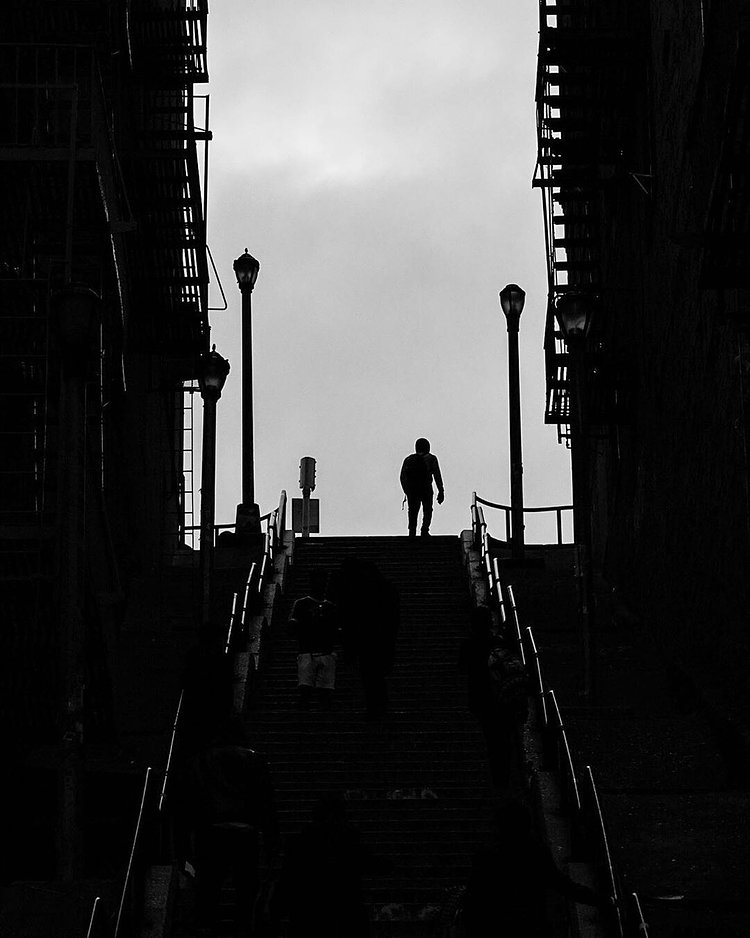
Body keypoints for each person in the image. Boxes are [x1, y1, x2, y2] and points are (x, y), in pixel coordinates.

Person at [181, 718, 280, 938]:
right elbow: (266, 802)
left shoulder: (200, 761)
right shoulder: (253, 759)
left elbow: (190, 803)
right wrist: (272, 840)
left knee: (209, 884)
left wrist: (186, 841)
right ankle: (244, 926)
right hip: (245, 832)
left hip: (211, 831)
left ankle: (205, 925)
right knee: (246, 886)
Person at [461, 800, 607, 937]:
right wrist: (598, 899)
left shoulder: (487, 855)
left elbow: (474, 894)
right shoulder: (536, 851)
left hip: (496, 926)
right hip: (531, 924)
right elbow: (561, 884)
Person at [273, 792, 392, 937]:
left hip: (308, 917)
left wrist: (277, 912)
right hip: (345, 915)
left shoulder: (299, 844)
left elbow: (287, 881)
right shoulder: (348, 842)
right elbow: (371, 863)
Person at [458, 605, 527, 788]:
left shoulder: (469, 645)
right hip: (503, 695)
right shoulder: (500, 643)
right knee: (503, 736)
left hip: (481, 698)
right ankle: (504, 777)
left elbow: (461, 668)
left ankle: (498, 777)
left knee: (491, 737)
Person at [332, 557, 399, 719]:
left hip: (366, 639)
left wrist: (348, 644)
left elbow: (349, 617)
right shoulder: (383, 588)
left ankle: (375, 705)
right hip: (379, 638)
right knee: (375, 674)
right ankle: (379, 705)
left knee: (369, 673)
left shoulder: (355, 591)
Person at [289, 568, 340, 709]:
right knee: (320, 688)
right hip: (319, 651)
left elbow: (292, 625)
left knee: (310, 687)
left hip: (312, 650)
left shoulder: (303, 604)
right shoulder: (329, 606)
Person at [399, 437, 444, 537]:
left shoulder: (408, 459)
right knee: (427, 510)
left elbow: (402, 477)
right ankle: (424, 530)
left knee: (412, 511)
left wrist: (407, 491)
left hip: (413, 490)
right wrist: (441, 491)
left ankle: (412, 532)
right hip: (426, 489)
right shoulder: (431, 458)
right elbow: (437, 475)